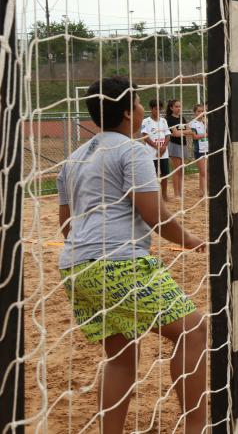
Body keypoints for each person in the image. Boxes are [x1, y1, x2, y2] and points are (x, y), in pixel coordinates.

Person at [57, 77, 206, 433]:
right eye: (138, 102)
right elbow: (154, 215)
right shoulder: (133, 150)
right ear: (128, 112)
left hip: (75, 268)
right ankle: (198, 428)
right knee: (194, 331)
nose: (143, 108)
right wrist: (190, 240)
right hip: (118, 264)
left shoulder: (73, 160)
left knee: (122, 355)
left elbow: (66, 226)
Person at [140, 98, 171, 201]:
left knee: (165, 173)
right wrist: (157, 147)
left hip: (163, 152)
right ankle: (153, 195)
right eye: (156, 109)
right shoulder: (146, 121)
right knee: (152, 174)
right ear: (151, 109)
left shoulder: (163, 120)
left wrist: (164, 147)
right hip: (151, 152)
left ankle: (164, 194)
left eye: (160, 109)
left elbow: (167, 135)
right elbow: (145, 136)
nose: (158, 111)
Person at [165, 99, 193, 197]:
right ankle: (176, 193)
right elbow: (176, 134)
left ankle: (180, 192)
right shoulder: (169, 119)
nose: (178, 108)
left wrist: (181, 132)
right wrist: (182, 132)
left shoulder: (182, 118)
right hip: (174, 145)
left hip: (183, 144)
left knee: (181, 170)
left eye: (179, 106)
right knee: (176, 170)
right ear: (171, 108)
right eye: (176, 106)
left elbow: (190, 131)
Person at [189, 103, 208, 196]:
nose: (201, 113)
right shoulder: (193, 123)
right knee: (203, 172)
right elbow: (195, 136)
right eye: (198, 111)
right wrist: (206, 134)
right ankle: (203, 192)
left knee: (205, 172)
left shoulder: (205, 122)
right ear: (194, 113)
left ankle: (202, 190)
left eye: (202, 111)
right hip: (199, 150)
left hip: (207, 149)